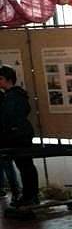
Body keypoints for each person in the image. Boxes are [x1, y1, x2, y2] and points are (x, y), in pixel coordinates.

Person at [0, 66, 37, 207]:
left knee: (25, 166)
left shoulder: (14, 97)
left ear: (8, 80)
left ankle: (29, 196)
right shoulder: (12, 96)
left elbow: (11, 117)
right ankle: (29, 195)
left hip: (18, 137)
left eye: (1, 78)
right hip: (17, 135)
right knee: (24, 166)